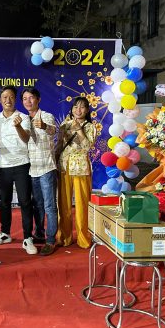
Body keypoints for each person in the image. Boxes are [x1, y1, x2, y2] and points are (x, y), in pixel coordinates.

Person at [0, 85, 37, 255]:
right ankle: (5, 233)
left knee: (25, 202)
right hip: (3, 166)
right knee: (4, 202)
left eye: (11, 97)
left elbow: (26, 139)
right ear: (0, 100)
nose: (8, 100)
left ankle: (27, 237)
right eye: (5, 97)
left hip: (22, 165)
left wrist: (17, 126)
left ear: (15, 99)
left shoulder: (23, 117)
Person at [22, 87, 58, 256]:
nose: (28, 101)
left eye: (31, 98)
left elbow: (53, 130)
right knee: (37, 205)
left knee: (49, 205)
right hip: (32, 169)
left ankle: (50, 240)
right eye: (25, 99)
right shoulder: (23, 120)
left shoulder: (46, 116)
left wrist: (43, 126)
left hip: (46, 167)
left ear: (38, 99)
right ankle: (39, 232)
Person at [57, 96, 97, 249]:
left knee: (82, 204)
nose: (78, 110)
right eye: (75, 107)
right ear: (72, 109)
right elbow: (59, 145)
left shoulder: (90, 127)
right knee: (63, 204)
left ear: (87, 110)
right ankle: (64, 237)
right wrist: (55, 160)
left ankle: (83, 238)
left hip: (81, 167)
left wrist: (79, 129)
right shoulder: (64, 125)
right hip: (64, 166)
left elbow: (86, 147)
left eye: (82, 107)